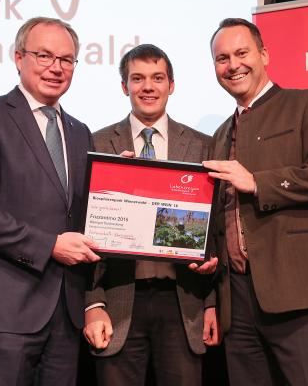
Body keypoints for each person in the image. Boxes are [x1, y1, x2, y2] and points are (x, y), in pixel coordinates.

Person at [0, 17, 99, 386]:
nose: (56, 67)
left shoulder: (81, 132)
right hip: (4, 312)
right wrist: (50, 246)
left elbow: (85, 217)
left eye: (67, 59)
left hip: (66, 314)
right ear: (19, 58)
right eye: (44, 55)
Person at [203, 18, 308, 385]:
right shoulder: (220, 134)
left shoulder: (307, 103)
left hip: (297, 290)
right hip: (236, 300)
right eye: (222, 58)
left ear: (264, 54)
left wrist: (257, 182)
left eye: (241, 53)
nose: (233, 65)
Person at [83, 44, 219, 386]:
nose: (148, 87)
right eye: (138, 78)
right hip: (118, 299)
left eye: (158, 78)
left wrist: (213, 302)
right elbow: (79, 229)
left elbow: (214, 229)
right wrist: (92, 303)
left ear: (171, 85)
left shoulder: (203, 145)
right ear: (124, 86)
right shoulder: (96, 143)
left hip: (183, 301)